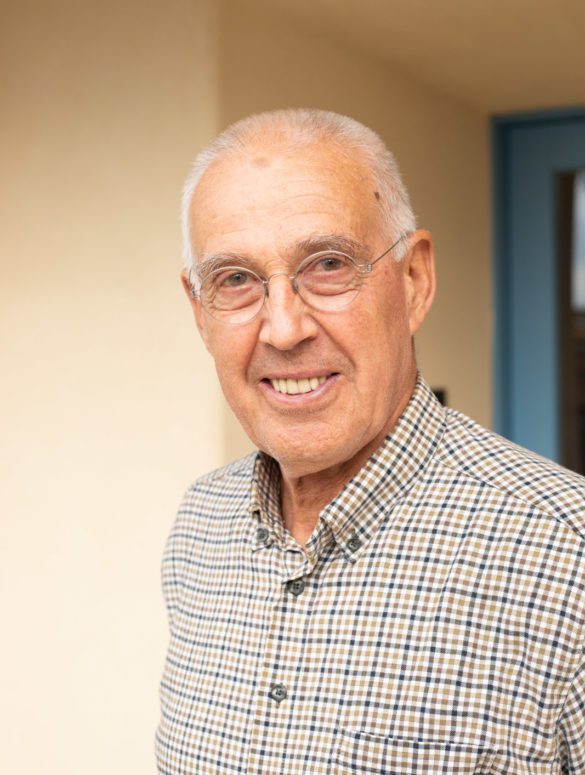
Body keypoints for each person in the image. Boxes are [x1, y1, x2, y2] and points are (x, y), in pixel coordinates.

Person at [156, 109, 585, 774]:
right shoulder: (198, 529)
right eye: (235, 280)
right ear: (199, 312)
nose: (282, 327)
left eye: (327, 264)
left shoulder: (566, 555)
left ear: (413, 280)